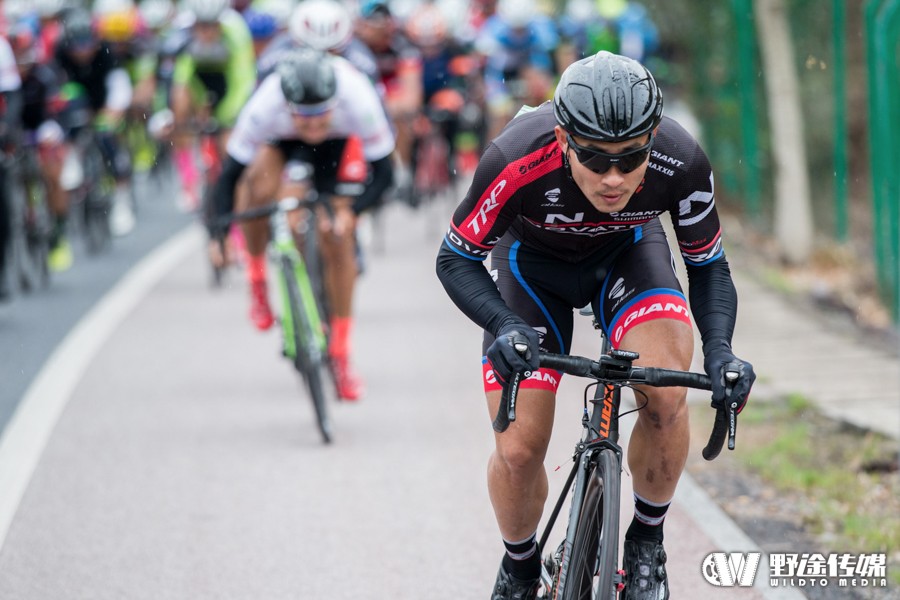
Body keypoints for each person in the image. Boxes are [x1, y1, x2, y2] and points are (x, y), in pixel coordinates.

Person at [435, 51, 755, 600]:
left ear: (653, 137)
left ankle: (646, 543)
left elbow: (708, 265)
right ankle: (519, 566)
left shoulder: (680, 160)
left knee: (667, 391)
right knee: (518, 448)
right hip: (532, 268)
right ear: (562, 139)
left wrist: (721, 351)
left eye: (631, 160)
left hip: (628, 257)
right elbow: (455, 258)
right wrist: (503, 323)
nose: (613, 178)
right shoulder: (514, 156)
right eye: (594, 158)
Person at [208, 48, 395, 401]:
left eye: (320, 114)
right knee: (256, 185)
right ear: (287, 103)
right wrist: (218, 236)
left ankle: (340, 354)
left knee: (337, 233)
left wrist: (350, 212)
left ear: (334, 101)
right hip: (283, 144)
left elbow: (386, 174)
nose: (311, 125)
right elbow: (228, 176)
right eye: (303, 116)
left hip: (340, 145)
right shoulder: (266, 104)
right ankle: (258, 276)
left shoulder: (356, 96)